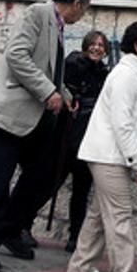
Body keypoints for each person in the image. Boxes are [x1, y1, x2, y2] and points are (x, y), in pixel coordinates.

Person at [0, 0, 92, 271]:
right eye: (85, 6)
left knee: (41, 175)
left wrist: (64, 94)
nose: (84, 13)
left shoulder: (59, 28)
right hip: (12, 113)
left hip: (37, 119)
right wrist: (47, 91)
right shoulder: (38, 14)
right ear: (76, 3)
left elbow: (48, 68)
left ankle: (10, 228)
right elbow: (17, 56)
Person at [66, 20, 137, 272]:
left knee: (97, 214)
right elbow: (122, 123)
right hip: (107, 155)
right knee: (120, 215)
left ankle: (81, 266)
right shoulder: (125, 75)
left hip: (116, 155)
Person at [55, 30, 110, 252]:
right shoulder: (73, 64)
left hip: (88, 139)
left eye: (101, 45)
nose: (96, 48)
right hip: (66, 136)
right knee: (50, 183)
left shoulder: (104, 73)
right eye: (93, 44)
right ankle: (22, 225)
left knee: (81, 190)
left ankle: (75, 236)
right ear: (86, 45)